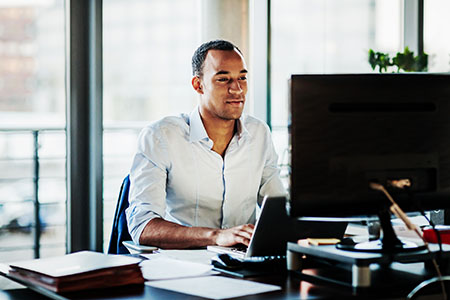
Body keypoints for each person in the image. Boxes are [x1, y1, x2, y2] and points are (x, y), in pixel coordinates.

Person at [126, 39, 286, 249]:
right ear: (198, 84)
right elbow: (143, 227)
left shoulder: (259, 134)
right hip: (183, 265)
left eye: (242, 78)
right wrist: (216, 236)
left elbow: (279, 210)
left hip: (243, 263)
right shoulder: (160, 137)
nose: (237, 89)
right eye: (223, 79)